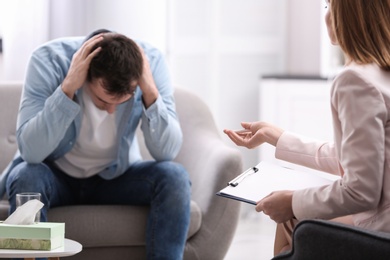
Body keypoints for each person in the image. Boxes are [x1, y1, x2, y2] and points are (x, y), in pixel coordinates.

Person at [0, 29, 191, 259]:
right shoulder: (47, 60)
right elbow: (31, 152)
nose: (111, 110)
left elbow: (166, 151)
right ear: (86, 75)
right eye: (102, 100)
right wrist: (67, 88)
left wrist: (150, 91)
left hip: (118, 179)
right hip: (57, 175)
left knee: (174, 176)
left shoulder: (152, 63)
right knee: (26, 175)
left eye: (121, 103)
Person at [224, 0, 390, 256]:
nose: (326, 16)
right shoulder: (381, 72)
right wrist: (277, 137)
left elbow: (361, 191)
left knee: (292, 218)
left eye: (328, 7)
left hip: (381, 228)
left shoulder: (355, 80)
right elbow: (360, 158)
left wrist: (292, 202)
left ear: (346, 17)